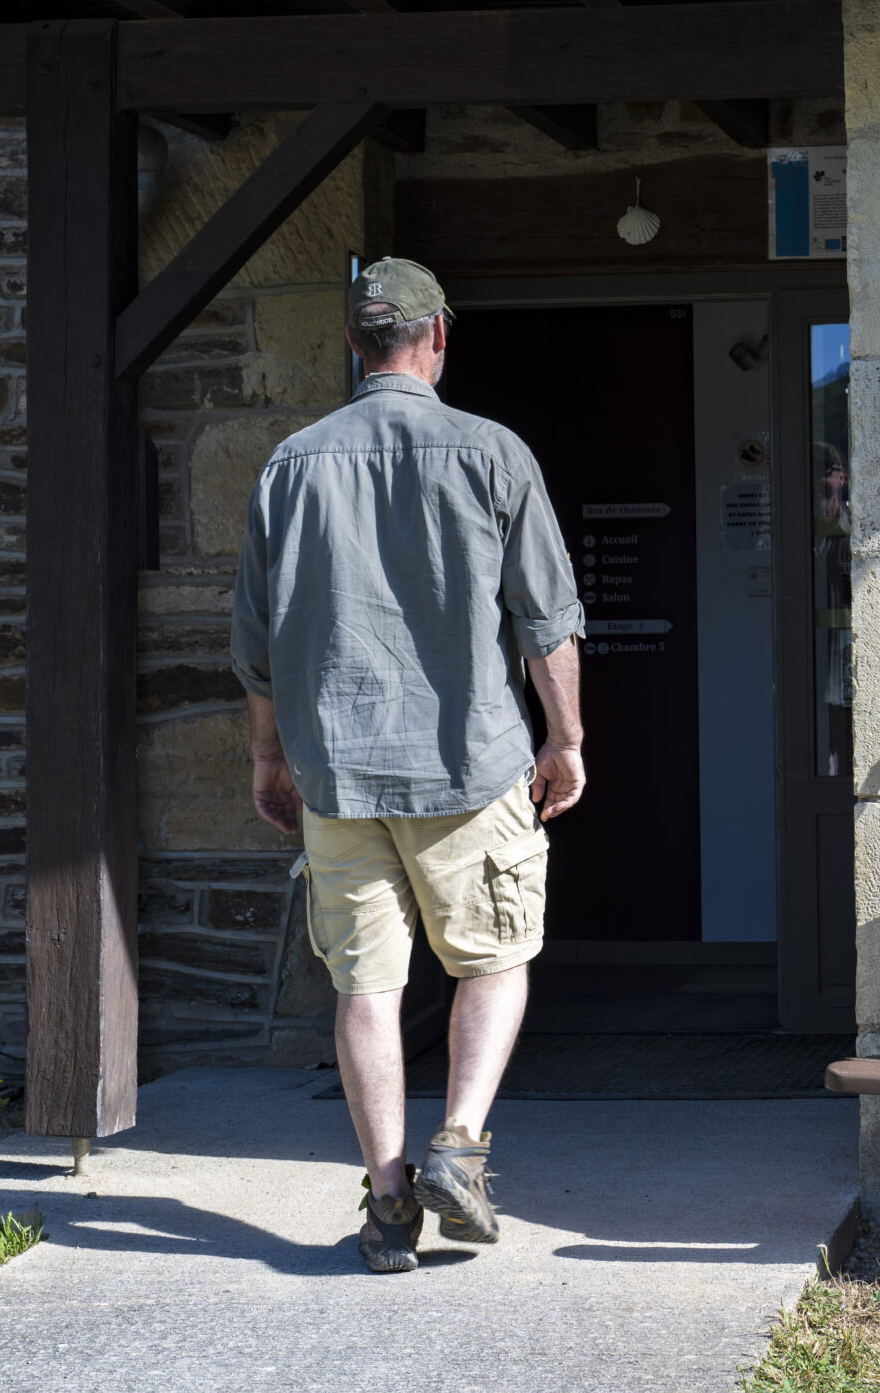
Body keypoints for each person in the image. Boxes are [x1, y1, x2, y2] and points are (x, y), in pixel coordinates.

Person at [232, 257, 585, 1274]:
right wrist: (564, 740)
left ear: (353, 345)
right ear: (438, 337)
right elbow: (547, 624)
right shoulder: (492, 453)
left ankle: (388, 1205)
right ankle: (459, 1146)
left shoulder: (288, 466)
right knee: (495, 959)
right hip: (468, 766)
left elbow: (257, 647)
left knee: (366, 985)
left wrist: (268, 758)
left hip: (336, 776)